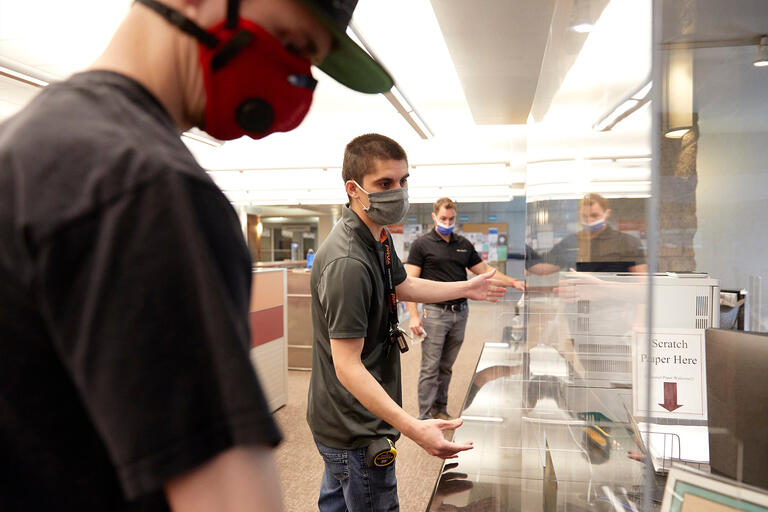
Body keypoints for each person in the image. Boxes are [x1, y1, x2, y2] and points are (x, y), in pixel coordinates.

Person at [0, 0, 394, 510]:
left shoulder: (25, 145)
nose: (294, 82)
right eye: (290, 44)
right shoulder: (146, 187)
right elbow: (228, 498)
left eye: (308, 63)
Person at [307, 134, 507, 512]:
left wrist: (467, 287)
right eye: (384, 183)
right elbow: (347, 367)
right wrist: (415, 428)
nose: (397, 192)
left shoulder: (378, 237)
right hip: (356, 426)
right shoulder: (347, 262)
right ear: (354, 189)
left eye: (403, 181)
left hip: (348, 418)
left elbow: (403, 285)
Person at [404, 197, 525, 421]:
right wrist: (413, 315)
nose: (447, 223)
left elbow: (485, 271)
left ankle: (440, 409)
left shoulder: (463, 244)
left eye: (451, 219)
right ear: (434, 217)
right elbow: (410, 283)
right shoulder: (422, 245)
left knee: (446, 366)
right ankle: (424, 418)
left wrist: (513, 282)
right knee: (430, 367)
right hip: (434, 313)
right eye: (443, 218)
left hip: (460, 313)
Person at [529, 193, 648, 275]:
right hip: (578, 302)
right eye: (584, 216)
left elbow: (642, 284)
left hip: (616, 303)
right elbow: (543, 269)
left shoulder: (627, 242)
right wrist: (522, 251)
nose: (589, 220)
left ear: (607, 214)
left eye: (594, 216)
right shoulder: (571, 242)